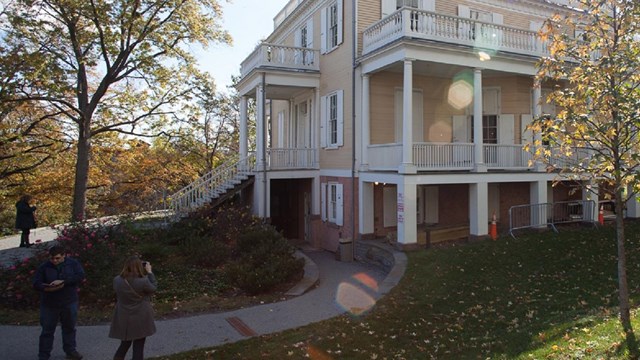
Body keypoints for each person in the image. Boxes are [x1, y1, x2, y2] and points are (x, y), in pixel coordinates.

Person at [33, 245, 85, 360]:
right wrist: (44, 287)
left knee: (69, 327)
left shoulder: (72, 264)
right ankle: (44, 355)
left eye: (57, 258)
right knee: (47, 330)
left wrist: (64, 282)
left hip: (69, 301)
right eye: (52, 258)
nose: (54, 261)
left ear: (63, 256)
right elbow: (36, 282)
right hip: (49, 303)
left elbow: (80, 276)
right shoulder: (44, 267)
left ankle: (70, 350)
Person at [109, 256, 157, 360]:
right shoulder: (143, 281)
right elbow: (153, 288)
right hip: (140, 315)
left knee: (125, 343)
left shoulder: (117, 280)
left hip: (124, 315)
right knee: (139, 344)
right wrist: (150, 272)